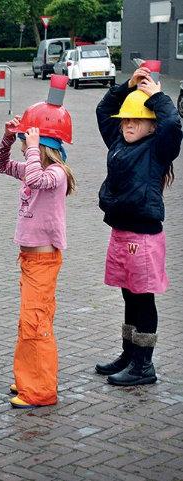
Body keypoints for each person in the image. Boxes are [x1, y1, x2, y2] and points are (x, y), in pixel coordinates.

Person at [95, 66, 182, 386]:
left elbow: (173, 122)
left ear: (151, 126)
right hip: (121, 232)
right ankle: (129, 354)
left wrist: (156, 95)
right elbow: (104, 110)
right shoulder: (119, 141)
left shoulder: (158, 149)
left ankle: (144, 365)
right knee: (129, 296)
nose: (129, 124)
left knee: (143, 299)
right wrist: (127, 85)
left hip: (143, 236)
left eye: (137, 119)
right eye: (126, 119)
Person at [0, 75, 76, 408]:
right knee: (28, 322)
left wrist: (29, 148)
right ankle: (27, 380)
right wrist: (8, 138)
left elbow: (35, 177)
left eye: (33, 142)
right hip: (29, 261)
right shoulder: (32, 167)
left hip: (44, 261)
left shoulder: (56, 175)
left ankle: (41, 390)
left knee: (36, 324)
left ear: (44, 147)